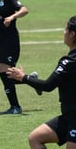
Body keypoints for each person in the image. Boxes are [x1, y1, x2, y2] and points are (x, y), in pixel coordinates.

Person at [7, 16, 76, 149]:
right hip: (69, 116)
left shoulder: (69, 62)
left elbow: (48, 86)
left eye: (66, 29)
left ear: (73, 34)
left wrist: (24, 78)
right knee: (35, 138)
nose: (64, 32)